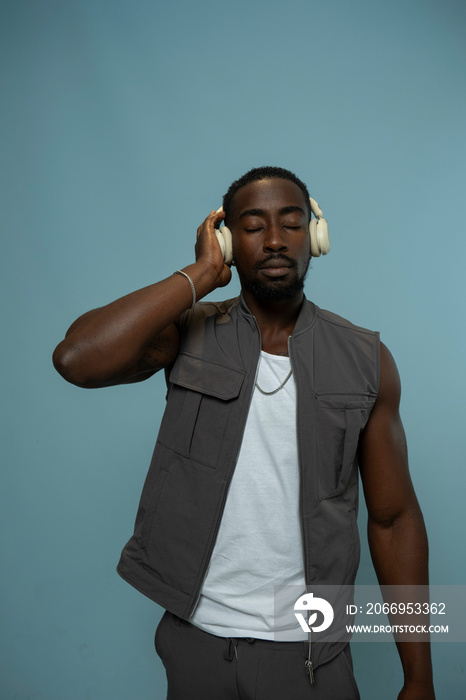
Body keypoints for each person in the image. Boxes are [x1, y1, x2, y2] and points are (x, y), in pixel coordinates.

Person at [53, 166, 435, 699]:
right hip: (197, 642)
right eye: (253, 226)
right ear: (227, 239)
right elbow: (76, 359)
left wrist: (419, 675)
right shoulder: (187, 332)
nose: (275, 240)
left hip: (310, 651)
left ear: (315, 236)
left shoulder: (367, 360)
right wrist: (199, 275)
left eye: (292, 223)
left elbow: (394, 521)